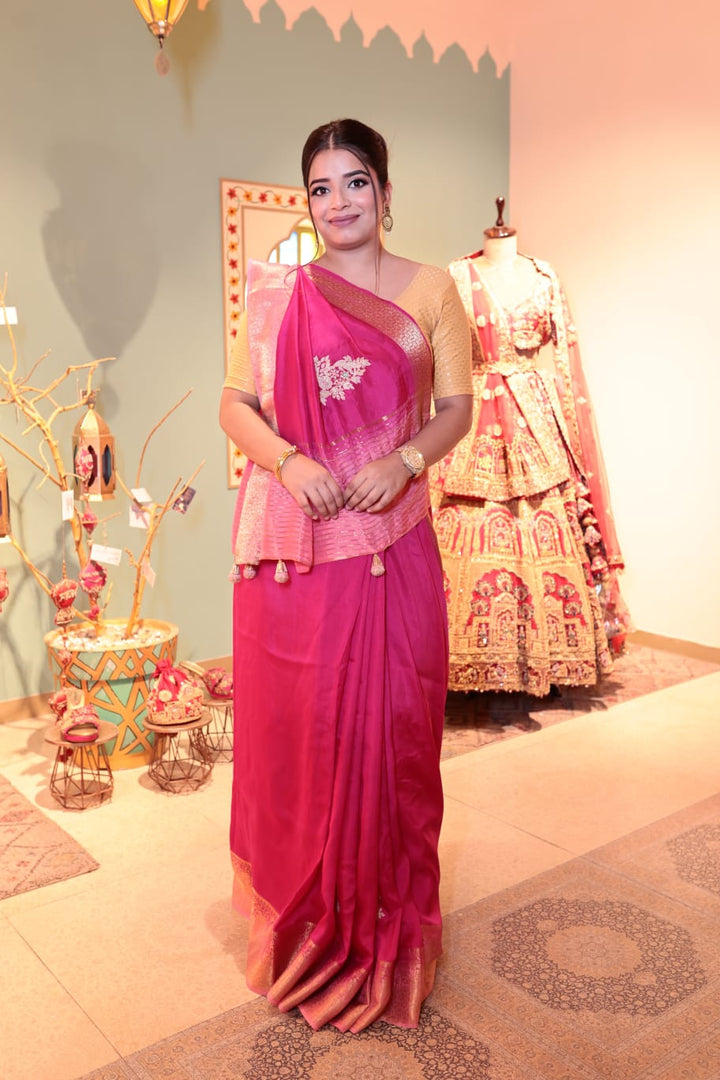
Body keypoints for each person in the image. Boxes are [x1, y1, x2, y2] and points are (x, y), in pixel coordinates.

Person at [219, 118, 473, 1033]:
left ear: (386, 189)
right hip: (305, 554)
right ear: (308, 201)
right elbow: (235, 403)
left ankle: (387, 929)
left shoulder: (434, 289)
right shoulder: (280, 296)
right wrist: (288, 464)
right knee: (308, 733)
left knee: (396, 727)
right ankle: (308, 928)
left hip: (395, 541)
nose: (339, 203)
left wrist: (404, 461)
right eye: (321, 188)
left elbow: (457, 409)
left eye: (356, 181)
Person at [432, 204, 628, 697]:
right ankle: (458, 662)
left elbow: (564, 361)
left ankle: (550, 657)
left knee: (544, 520)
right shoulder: (457, 275)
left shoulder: (544, 277)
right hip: (473, 417)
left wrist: (570, 436)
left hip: (535, 417)